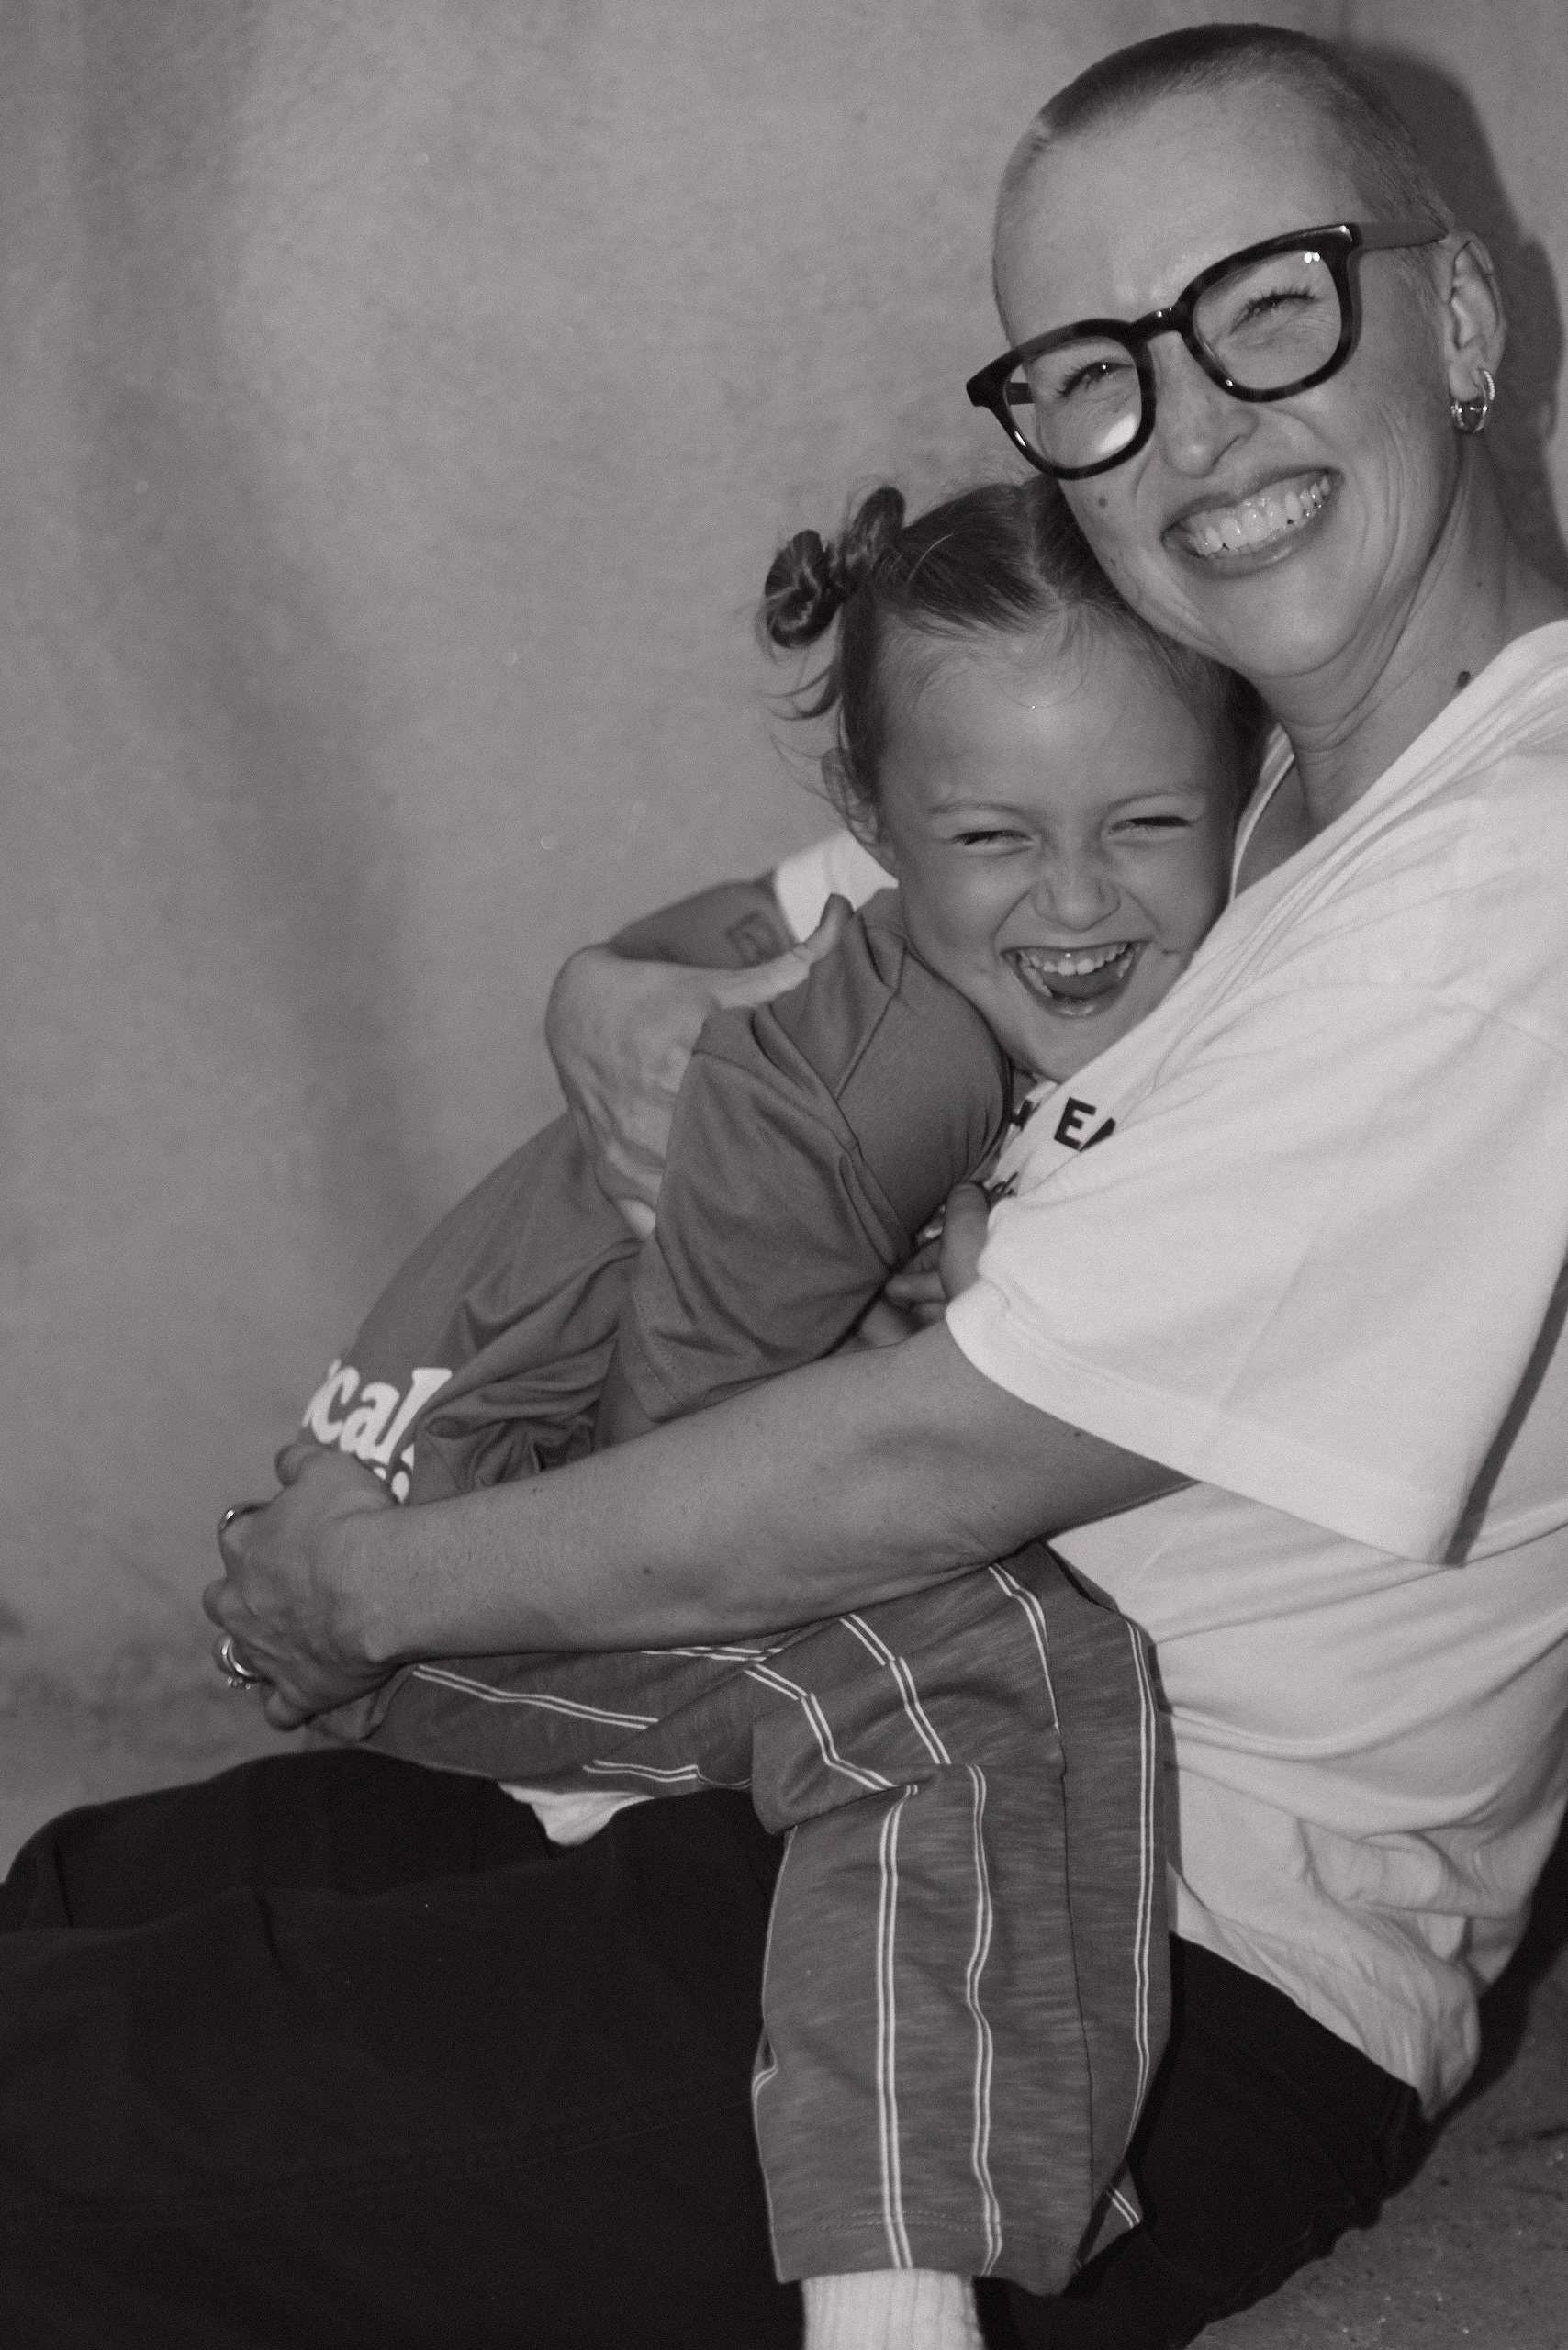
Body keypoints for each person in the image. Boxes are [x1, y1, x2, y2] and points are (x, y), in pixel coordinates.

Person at [6, 21, 1568, 2350]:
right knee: (84, 1889)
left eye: (1263, 302)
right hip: (833, 1746)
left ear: (1456, 318)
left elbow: (928, 1459)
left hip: (1162, 1955)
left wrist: (377, 1581)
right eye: (1090, 368)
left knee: (67, 2125)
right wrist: (596, 989)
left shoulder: (1507, 881)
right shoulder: (1239, 765)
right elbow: (785, 926)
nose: (1188, 428)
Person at [286, 473, 1258, 2330]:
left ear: (1246, 796)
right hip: (452, 1529)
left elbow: (667, 966)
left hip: (499, 1512)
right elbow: (693, 1448)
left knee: (953, 1626)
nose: (1071, 895)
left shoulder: (997, 943)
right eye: (989, 833)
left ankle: (624, 1815)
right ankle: (892, 2300)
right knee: (984, 1666)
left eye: (1145, 821)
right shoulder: (860, 1022)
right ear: (873, 823)